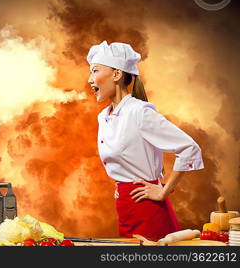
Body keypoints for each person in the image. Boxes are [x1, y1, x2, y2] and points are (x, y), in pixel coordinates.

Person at [87, 40, 204, 241]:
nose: (90, 79)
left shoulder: (139, 112)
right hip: (125, 207)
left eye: (95, 71)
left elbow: (188, 148)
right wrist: (122, 186)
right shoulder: (103, 117)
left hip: (149, 211)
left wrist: (163, 191)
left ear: (117, 74)